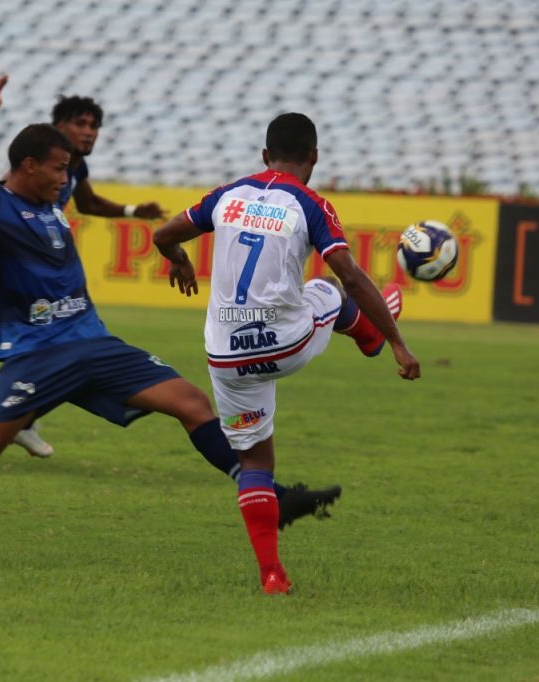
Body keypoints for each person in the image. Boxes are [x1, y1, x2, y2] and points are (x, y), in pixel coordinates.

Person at [0, 71, 339, 566]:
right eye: (58, 168)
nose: (65, 178)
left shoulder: (49, 200)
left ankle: (270, 497)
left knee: (191, 403)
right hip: (38, 357)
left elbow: (83, 199)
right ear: (29, 165)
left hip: (93, 344)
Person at [152, 112, 421, 594]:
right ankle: (373, 338)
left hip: (226, 354)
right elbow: (354, 276)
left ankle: (272, 574)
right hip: (283, 341)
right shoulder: (310, 203)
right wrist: (399, 344)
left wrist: (180, 259)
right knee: (329, 288)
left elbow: (162, 236)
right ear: (314, 158)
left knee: (254, 464)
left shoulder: (227, 195)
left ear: (263, 155)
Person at [0, 96, 166, 468]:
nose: (89, 132)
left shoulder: (73, 170)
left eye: (94, 126)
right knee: (53, 346)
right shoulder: (39, 163)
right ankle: (9, 421)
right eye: (80, 123)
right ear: (59, 128)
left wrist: (130, 211)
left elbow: (88, 203)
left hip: (17, 273)